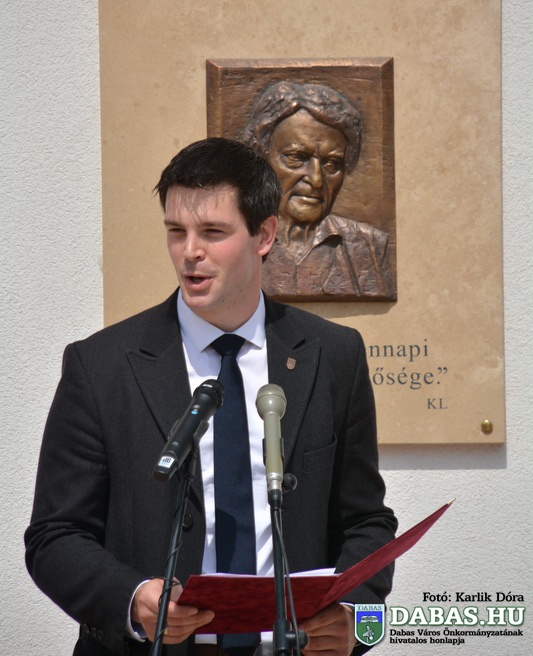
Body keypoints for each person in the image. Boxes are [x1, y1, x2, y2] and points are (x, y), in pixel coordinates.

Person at [25, 138, 397, 656]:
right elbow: (54, 535)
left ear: (264, 234)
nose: (189, 252)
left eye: (213, 232)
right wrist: (132, 598)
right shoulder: (101, 365)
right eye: (176, 231)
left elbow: (365, 522)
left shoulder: (333, 355)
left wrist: (355, 615)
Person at [241, 81, 396, 301]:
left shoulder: (371, 248)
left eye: (331, 164)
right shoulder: (233, 242)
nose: (316, 180)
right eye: (296, 158)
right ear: (260, 156)